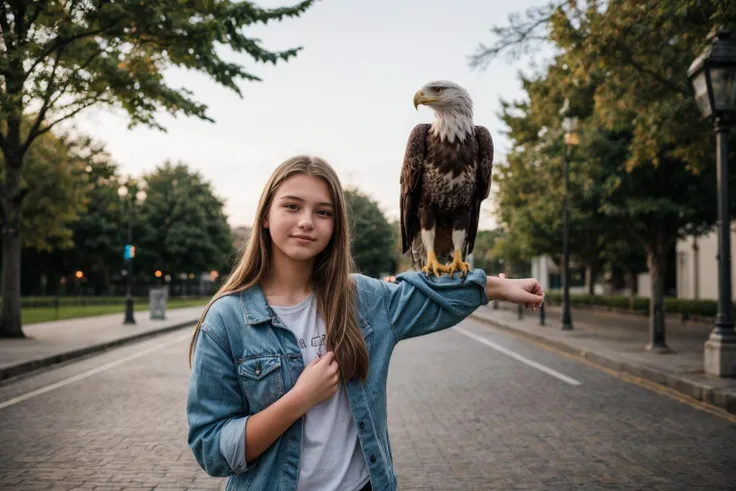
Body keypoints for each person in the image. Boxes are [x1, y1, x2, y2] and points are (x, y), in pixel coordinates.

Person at [186, 155, 544, 491]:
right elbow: (212, 449)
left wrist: (499, 286)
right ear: (265, 215)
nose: (307, 221)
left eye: (323, 212)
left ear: (335, 225)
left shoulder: (363, 299)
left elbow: (427, 293)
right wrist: (299, 399)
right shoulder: (227, 319)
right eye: (292, 206)